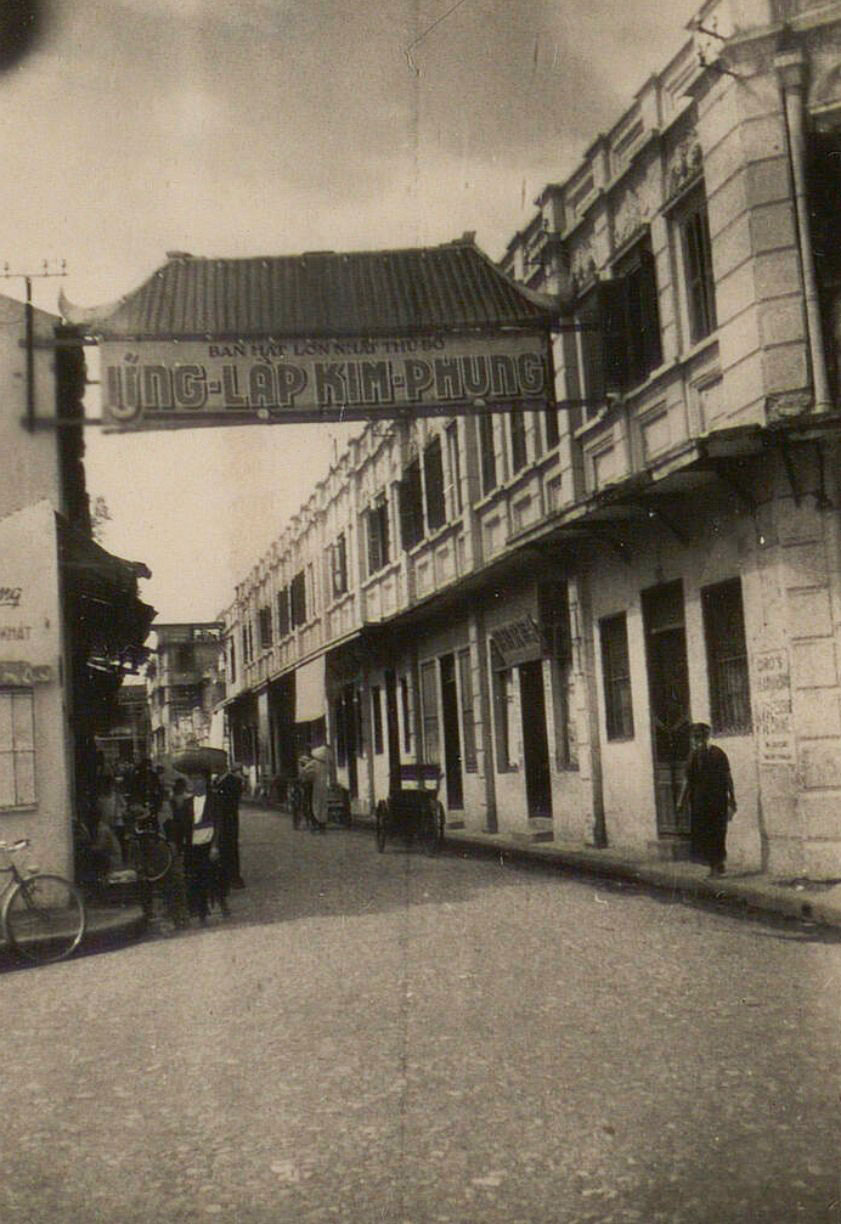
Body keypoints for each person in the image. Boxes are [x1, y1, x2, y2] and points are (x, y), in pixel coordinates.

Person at [678, 722, 737, 877]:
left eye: (699, 737)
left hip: (714, 799)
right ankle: (716, 863)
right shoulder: (694, 756)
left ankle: (716, 864)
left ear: (705, 737)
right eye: (695, 737)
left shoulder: (717, 753)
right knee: (708, 832)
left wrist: (732, 797)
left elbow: (727, 777)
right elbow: (688, 780)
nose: (697, 740)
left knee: (717, 831)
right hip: (703, 800)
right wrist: (681, 800)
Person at [213, 762, 245, 889]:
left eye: (217, 766)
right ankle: (225, 876)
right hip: (219, 818)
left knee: (231, 846)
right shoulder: (215, 781)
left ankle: (235, 877)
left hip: (229, 818)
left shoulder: (234, 781)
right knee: (222, 846)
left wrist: (218, 796)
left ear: (223, 767)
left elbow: (232, 800)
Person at [300, 745, 331, 833]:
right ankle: (322, 824)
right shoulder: (325, 765)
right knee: (322, 805)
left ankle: (316, 823)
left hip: (314, 786)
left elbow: (304, 771)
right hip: (322, 787)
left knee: (315, 805)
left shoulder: (313, 763)